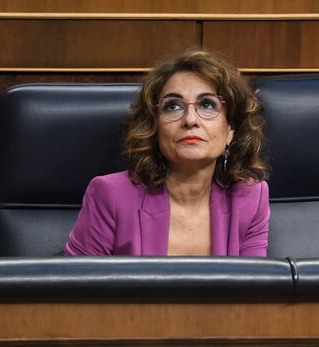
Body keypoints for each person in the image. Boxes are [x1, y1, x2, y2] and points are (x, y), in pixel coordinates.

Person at [64, 48, 270, 256]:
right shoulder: (110, 196)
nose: (190, 120)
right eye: (173, 106)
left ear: (230, 130)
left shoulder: (250, 199)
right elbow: (78, 284)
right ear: (154, 127)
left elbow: (254, 286)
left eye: (207, 105)